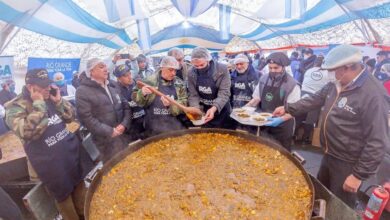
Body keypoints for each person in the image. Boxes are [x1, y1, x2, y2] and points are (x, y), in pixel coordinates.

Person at [273, 45, 389, 208]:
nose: (330, 75)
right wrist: (288, 108)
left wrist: (358, 175)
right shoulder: (338, 82)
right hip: (329, 153)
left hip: (348, 162)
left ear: (348, 67)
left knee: (340, 205)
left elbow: (378, 141)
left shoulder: (373, 94)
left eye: (333, 70)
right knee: (322, 196)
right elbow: (315, 99)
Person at [5, 68, 93, 220]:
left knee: (81, 193)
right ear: (30, 87)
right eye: (43, 86)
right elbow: (27, 132)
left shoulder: (49, 95)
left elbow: (70, 117)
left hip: (70, 155)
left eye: (48, 84)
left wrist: (59, 102)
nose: (47, 88)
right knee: (64, 200)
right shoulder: (15, 107)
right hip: (51, 165)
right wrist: (39, 104)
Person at [76, 58, 131, 162]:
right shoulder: (82, 91)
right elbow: (86, 119)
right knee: (114, 170)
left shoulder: (113, 85)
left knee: (129, 163)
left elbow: (126, 106)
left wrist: (124, 124)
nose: (105, 69)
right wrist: (110, 131)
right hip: (105, 142)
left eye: (105, 66)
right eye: (101, 67)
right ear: (91, 71)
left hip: (123, 136)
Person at [245, 52, 301, 151]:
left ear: (283, 67)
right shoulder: (264, 79)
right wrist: (244, 109)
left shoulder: (292, 84)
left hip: (282, 126)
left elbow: (294, 110)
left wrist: (279, 120)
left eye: (276, 68)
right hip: (264, 123)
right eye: (270, 68)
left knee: (281, 154)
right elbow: (256, 98)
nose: (272, 71)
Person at [132, 56, 187, 137]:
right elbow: (135, 98)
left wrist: (171, 105)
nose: (173, 73)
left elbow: (184, 103)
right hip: (153, 126)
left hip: (174, 126)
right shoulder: (149, 81)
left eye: (175, 70)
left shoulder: (179, 83)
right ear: (162, 68)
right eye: (170, 70)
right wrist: (142, 93)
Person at [187, 47, 233, 128]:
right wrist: (196, 110)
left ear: (208, 59)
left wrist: (213, 109)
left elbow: (224, 93)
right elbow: (193, 95)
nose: (199, 68)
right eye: (196, 66)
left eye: (202, 65)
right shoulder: (191, 72)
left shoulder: (222, 69)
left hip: (221, 109)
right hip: (204, 110)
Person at [299, 56, 330, 143]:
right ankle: (305, 139)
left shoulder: (309, 70)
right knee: (311, 119)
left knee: (299, 116)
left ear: (315, 62)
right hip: (315, 98)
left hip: (303, 94)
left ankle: (294, 136)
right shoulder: (327, 73)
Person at [113, 64, 146, 141]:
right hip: (131, 127)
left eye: (130, 74)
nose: (129, 77)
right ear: (118, 78)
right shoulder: (115, 91)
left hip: (145, 121)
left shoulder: (138, 84)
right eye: (125, 76)